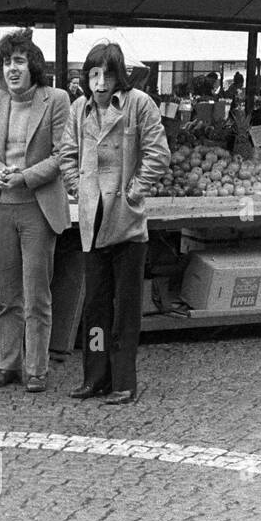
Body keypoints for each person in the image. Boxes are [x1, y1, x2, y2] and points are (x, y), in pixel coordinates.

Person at [58, 40, 170, 406]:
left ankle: (124, 381)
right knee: (96, 307)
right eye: (93, 74)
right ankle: (95, 377)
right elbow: (66, 154)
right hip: (93, 220)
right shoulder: (79, 110)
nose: (100, 83)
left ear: (118, 76)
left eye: (107, 75)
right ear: (86, 77)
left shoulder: (139, 104)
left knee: (125, 309)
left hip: (127, 222)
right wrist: (78, 188)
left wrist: (135, 191)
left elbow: (158, 153)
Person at [0, 28, 71, 393]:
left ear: (33, 65)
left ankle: (37, 368)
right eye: (6, 62)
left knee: (36, 293)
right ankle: (8, 363)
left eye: (18, 61)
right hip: (1, 208)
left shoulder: (55, 99)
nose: (12, 68)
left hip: (38, 208)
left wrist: (25, 177)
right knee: (7, 294)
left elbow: (64, 154)